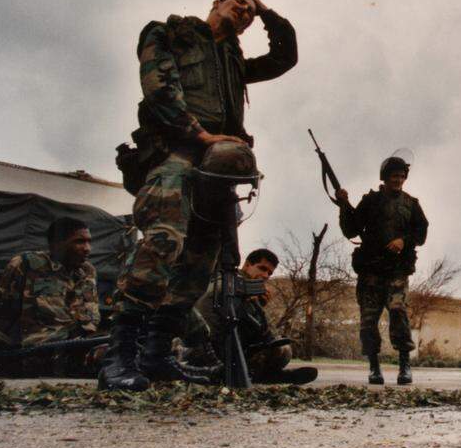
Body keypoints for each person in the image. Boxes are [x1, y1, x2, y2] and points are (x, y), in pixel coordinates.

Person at [100, 0, 297, 391]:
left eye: (250, 9)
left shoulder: (234, 62)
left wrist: (268, 12)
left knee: (199, 265)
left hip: (218, 169)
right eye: (238, 2)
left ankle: (155, 356)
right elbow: (158, 90)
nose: (244, 11)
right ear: (216, 3)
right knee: (162, 242)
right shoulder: (169, 33)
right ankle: (118, 358)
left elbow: (285, 58)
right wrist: (201, 134)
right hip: (177, 152)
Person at [336, 156, 428, 385]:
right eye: (393, 176)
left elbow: (421, 233)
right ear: (385, 178)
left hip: (397, 270)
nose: (398, 180)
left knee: (398, 310)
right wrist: (344, 205)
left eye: (401, 176)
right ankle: (374, 368)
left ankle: (405, 366)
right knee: (368, 319)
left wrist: (403, 241)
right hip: (371, 270)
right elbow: (351, 229)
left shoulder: (411, 204)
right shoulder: (371, 201)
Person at [0, 218, 100, 374]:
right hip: (41, 351)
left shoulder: (87, 271)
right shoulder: (28, 264)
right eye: (79, 242)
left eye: (89, 242)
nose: (87, 249)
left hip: (80, 345)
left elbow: (91, 317)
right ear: (56, 244)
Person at [182, 248, 317, 385]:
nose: (265, 275)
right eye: (262, 268)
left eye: (269, 273)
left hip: (217, 346)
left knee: (281, 349)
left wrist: (258, 305)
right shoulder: (232, 284)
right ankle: (262, 377)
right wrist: (253, 306)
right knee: (281, 351)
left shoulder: (236, 285)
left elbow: (246, 324)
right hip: (209, 350)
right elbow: (212, 315)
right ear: (247, 265)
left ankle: (261, 376)